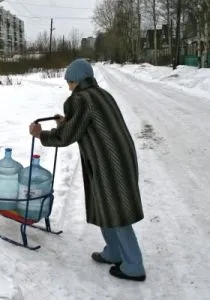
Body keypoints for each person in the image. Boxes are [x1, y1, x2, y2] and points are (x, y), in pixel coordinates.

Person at [29, 58, 146, 282]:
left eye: (69, 82)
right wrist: (66, 121)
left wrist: (40, 134)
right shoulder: (102, 95)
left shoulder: (80, 100)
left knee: (117, 210)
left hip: (107, 161)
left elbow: (67, 136)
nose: (68, 87)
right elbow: (85, 124)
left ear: (76, 81)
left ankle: (134, 265)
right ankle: (114, 251)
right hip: (119, 157)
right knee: (105, 203)